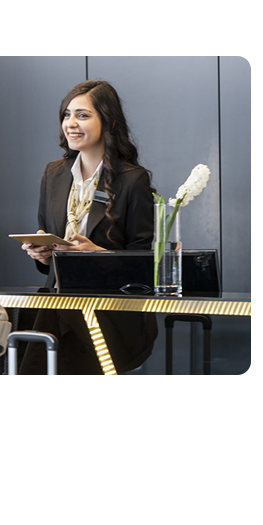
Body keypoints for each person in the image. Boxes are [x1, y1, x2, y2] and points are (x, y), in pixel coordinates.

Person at [20, 79, 157, 375]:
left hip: (108, 313)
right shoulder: (53, 174)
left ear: (108, 121)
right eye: (66, 115)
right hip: (59, 305)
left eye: (82, 115)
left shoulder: (133, 180)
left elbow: (145, 266)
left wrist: (99, 254)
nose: (71, 123)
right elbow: (49, 258)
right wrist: (43, 254)